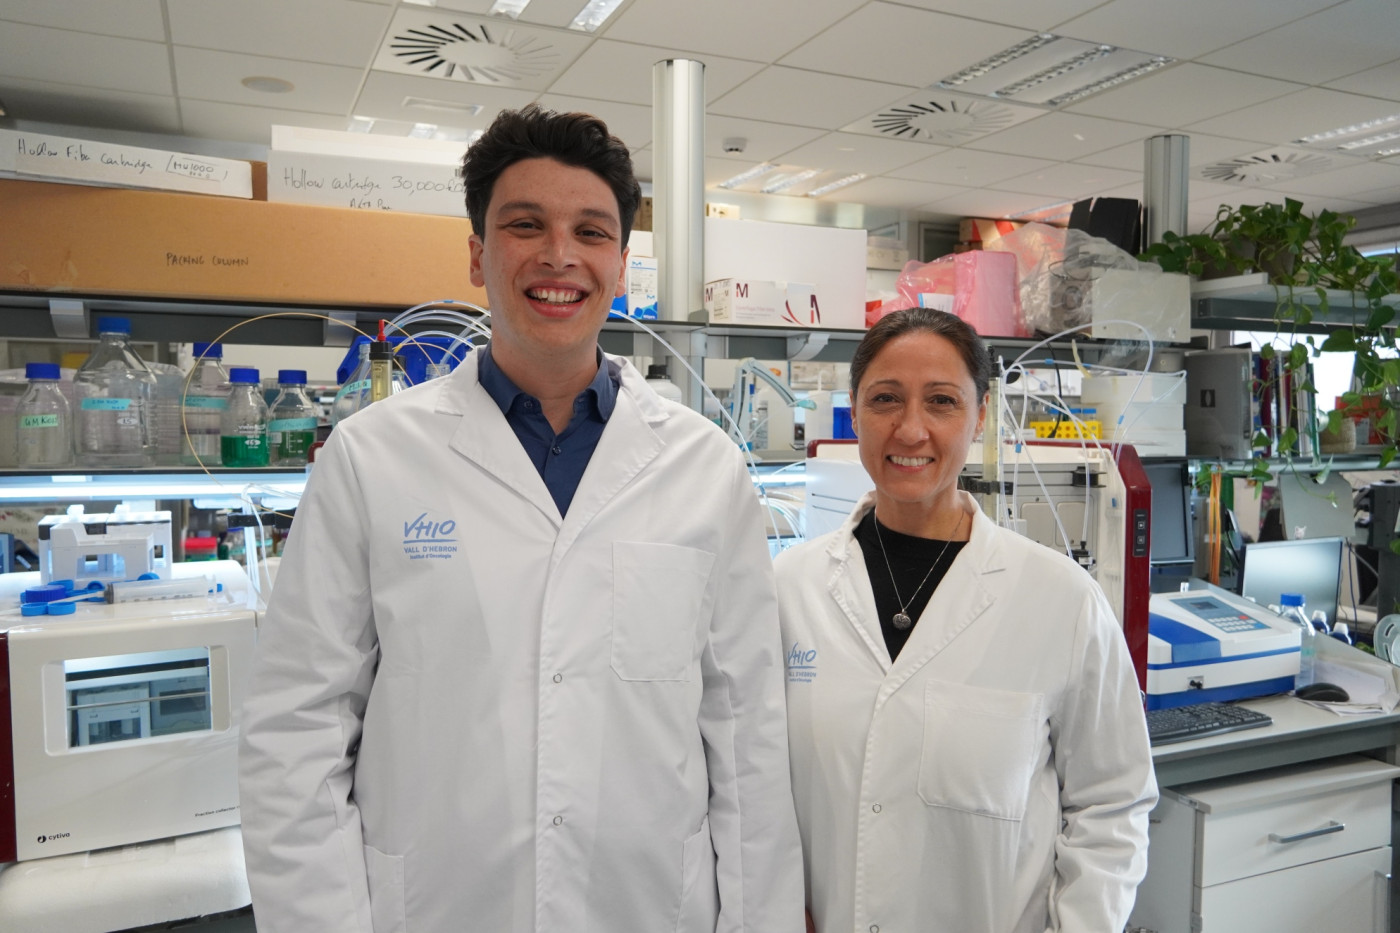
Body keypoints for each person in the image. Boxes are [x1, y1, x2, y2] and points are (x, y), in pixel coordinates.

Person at [239, 105, 804, 933]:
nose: (559, 255)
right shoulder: (372, 458)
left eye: (591, 231)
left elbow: (748, 732)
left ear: (620, 263)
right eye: (525, 224)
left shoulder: (705, 469)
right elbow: (296, 731)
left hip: (647, 907)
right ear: (477, 254)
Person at [775, 307, 1157, 933]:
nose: (910, 429)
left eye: (942, 401)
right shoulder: (790, 587)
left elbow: (1112, 803)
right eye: (885, 399)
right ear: (856, 412)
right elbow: (757, 787)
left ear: (980, 417)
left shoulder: (1061, 599)